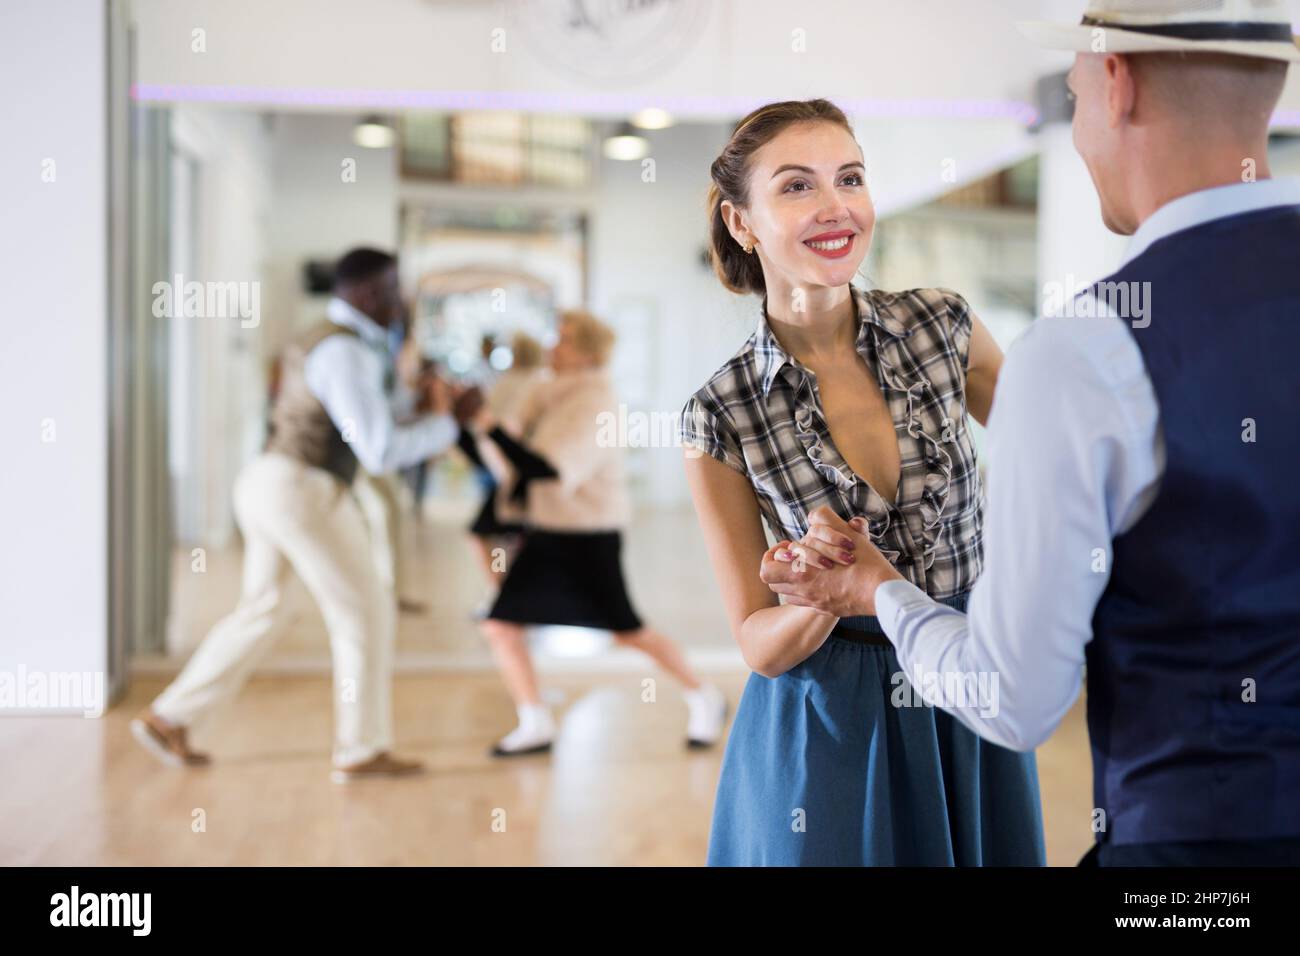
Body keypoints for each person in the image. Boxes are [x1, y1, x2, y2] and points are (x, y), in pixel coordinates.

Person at [762, 2, 1300, 866]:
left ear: (1114, 82)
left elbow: (1013, 698)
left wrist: (883, 594)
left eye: (1075, 91)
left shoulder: (1091, 352)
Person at [679, 98, 1045, 866]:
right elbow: (758, 642)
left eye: (850, 177)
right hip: (833, 721)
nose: (836, 205)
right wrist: (816, 594)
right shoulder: (719, 413)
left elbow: (1057, 459)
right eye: (797, 186)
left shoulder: (942, 326)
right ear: (742, 225)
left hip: (965, 676)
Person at [132, 248, 481, 783]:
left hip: (272, 482)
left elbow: (363, 423)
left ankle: (171, 715)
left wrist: (425, 408)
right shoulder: (344, 352)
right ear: (363, 292)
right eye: (392, 290)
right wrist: (450, 425)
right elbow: (379, 451)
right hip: (303, 491)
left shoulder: (334, 341)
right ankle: (361, 748)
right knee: (365, 610)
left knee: (263, 609)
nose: (400, 301)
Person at [464, 309, 729, 756]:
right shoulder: (548, 393)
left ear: (588, 353)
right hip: (551, 531)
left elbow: (546, 467)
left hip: (587, 536)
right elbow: (507, 459)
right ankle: (534, 720)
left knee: (627, 630)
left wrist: (485, 423)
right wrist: (471, 424)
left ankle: (703, 694)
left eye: (563, 339)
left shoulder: (594, 402)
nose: (552, 346)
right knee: (502, 626)